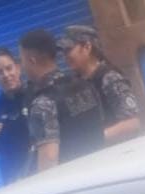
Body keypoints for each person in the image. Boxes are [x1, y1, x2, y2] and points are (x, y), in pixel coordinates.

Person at [18, 29, 104, 173]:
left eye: (22, 60)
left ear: (32, 60)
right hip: (103, 169)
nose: (22, 67)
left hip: (75, 180)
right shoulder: (85, 85)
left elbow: (49, 161)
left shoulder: (43, 103)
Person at [58, 24, 143, 144]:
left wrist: (96, 138)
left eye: (69, 50)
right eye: (64, 52)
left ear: (87, 47)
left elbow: (132, 123)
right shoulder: (74, 84)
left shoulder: (109, 78)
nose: (65, 57)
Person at [0, 48, 32, 184]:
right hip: (14, 178)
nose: (6, 75)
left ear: (18, 68)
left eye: (9, 68)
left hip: (41, 172)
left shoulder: (35, 94)